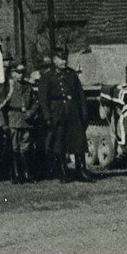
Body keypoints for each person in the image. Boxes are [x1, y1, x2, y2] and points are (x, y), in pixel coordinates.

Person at [38, 47, 93, 183]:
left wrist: (84, 112)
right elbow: (43, 99)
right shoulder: (47, 77)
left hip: (72, 112)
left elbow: (80, 95)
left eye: (65, 59)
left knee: (78, 142)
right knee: (59, 143)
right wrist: (47, 117)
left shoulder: (72, 74)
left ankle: (81, 171)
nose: (64, 62)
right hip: (57, 113)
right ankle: (63, 172)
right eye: (61, 59)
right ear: (54, 60)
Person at [0, 62, 39, 183]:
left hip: (26, 120)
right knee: (14, 147)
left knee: (26, 146)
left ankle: (27, 173)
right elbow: (2, 104)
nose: (21, 75)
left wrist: (31, 112)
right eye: (18, 72)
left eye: (23, 72)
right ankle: (16, 174)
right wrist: (3, 122)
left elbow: (35, 102)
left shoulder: (28, 86)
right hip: (14, 119)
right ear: (13, 73)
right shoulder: (9, 88)